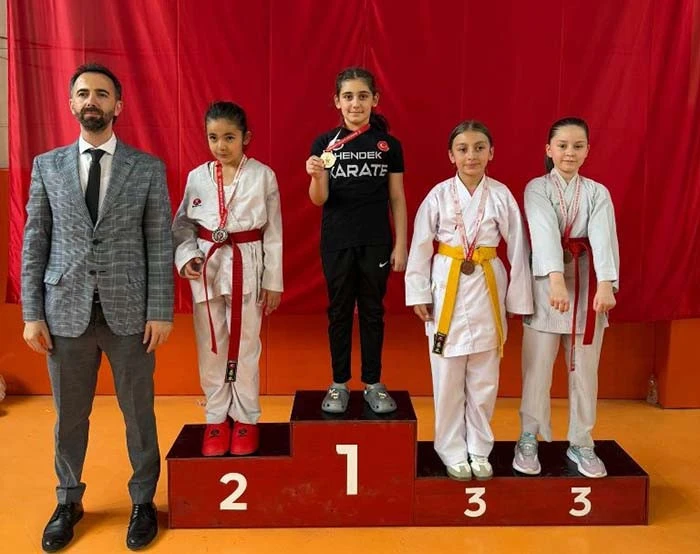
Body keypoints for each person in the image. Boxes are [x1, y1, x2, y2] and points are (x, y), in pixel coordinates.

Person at [21, 63, 173, 551]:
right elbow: (35, 240)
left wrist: (161, 309)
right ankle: (68, 500)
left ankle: (143, 500)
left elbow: (159, 242)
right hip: (64, 312)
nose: (92, 101)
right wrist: (31, 312)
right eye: (83, 93)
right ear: (71, 104)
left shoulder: (146, 168)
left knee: (138, 414)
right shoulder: (47, 166)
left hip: (130, 312)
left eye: (102, 94)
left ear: (118, 105)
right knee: (69, 417)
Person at [405, 120, 533, 481]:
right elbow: (420, 244)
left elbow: (518, 247)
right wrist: (418, 292)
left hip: (487, 284)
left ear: (491, 153)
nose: (471, 156)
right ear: (451, 155)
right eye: (463, 149)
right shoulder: (439, 195)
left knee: (484, 379)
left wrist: (517, 299)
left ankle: (479, 447)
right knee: (447, 378)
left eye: (479, 148)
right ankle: (450, 449)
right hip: (447, 285)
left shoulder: (501, 195)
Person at [173, 101, 283, 457]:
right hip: (207, 267)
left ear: (245, 137)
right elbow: (182, 225)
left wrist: (273, 280)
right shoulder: (197, 177)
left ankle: (246, 418)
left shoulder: (263, 176)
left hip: (247, 263)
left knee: (246, 345)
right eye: (213, 137)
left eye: (229, 137)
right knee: (211, 345)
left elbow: (274, 232)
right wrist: (187, 256)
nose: (221, 145)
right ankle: (217, 417)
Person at [513, 117, 619, 479]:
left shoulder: (597, 192)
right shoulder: (537, 188)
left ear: (588, 150)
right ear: (549, 150)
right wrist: (555, 280)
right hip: (547, 286)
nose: (569, 153)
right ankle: (529, 436)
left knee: (584, 371)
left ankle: (581, 442)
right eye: (562, 146)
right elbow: (542, 231)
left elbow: (603, 237)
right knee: (537, 369)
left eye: (577, 146)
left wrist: (606, 283)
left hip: (588, 286)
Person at [306, 67, 407, 414]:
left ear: (375, 99)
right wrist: (316, 176)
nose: (355, 103)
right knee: (339, 312)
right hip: (336, 241)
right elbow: (319, 199)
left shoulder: (388, 146)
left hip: (376, 241)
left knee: (372, 311)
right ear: (337, 101)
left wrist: (401, 244)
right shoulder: (324, 144)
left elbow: (397, 197)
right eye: (348, 97)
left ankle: (373, 383)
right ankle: (338, 384)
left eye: (363, 96)